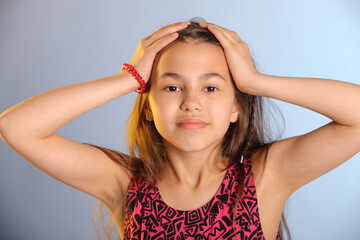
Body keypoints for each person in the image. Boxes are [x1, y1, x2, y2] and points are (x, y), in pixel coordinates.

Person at [0, 17, 359, 240]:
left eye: (211, 87)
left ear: (237, 105)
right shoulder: (124, 184)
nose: (191, 102)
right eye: (171, 87)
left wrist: (254, 80)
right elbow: (16, 126)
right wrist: (128, 78)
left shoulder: (267, 175)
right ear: (148, 108)